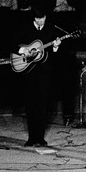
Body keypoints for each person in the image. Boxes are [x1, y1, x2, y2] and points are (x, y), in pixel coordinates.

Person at [13, 9, 62, 147]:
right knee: (30, 104)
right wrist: (24, 50)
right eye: (37, 19)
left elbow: (55, 55)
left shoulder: (51, 29)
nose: (40, 21)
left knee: (42, 104)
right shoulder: (25, 28)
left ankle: (40, 137)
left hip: (44, 72)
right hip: (28, 71)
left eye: (42, 18)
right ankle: (31, 137)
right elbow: (12, 45)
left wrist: (56, 47)